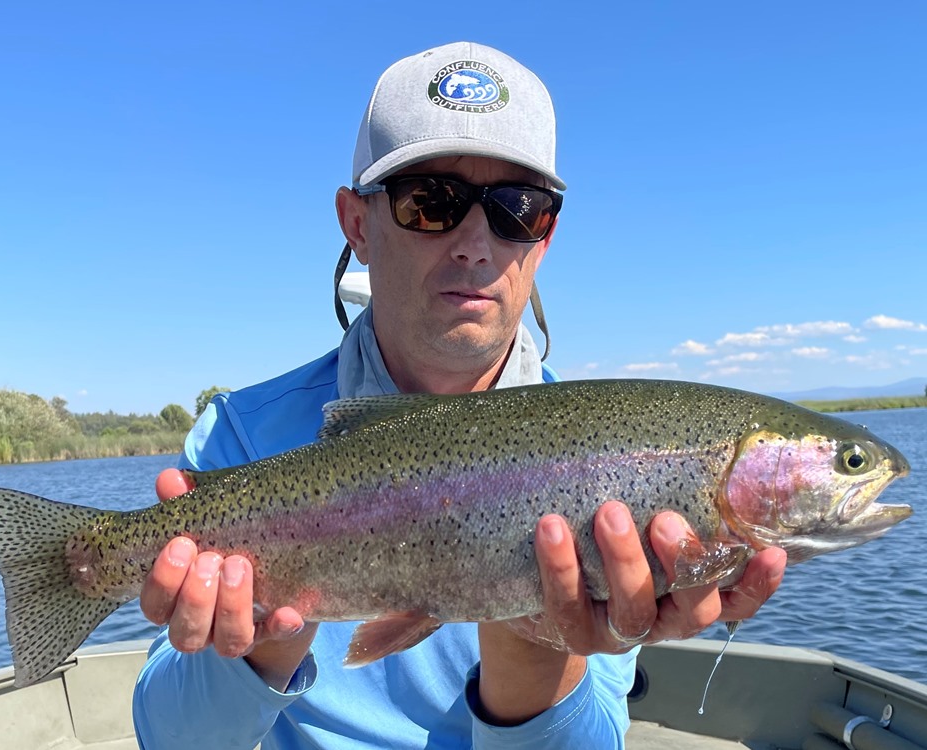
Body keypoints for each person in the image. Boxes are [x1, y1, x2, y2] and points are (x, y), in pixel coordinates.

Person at [132, 41, 787, 749]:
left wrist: (534, 647)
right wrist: (260, 647)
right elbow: (172, 739)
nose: (477, 242)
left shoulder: (614, 464)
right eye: (431, 202)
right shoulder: (243, 437)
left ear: (545, 238)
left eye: (517, 209)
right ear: (357, 224)